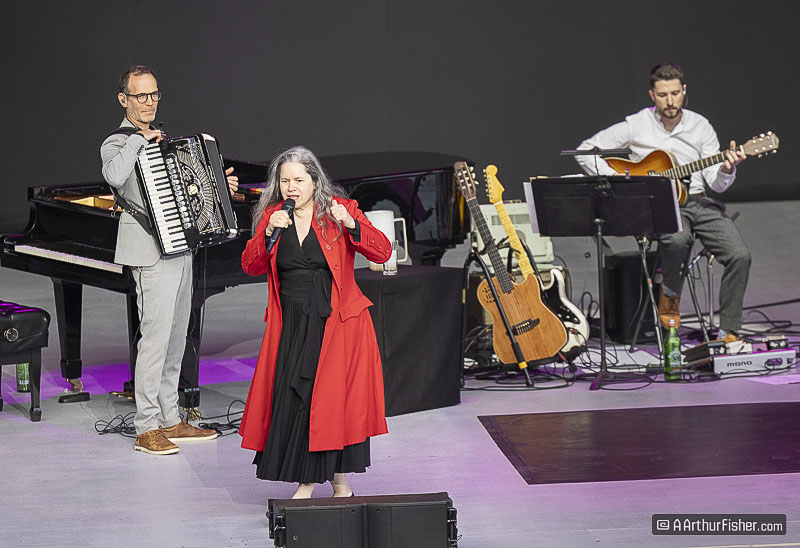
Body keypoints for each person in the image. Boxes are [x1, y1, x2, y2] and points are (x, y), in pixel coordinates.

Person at [238, 146, 392, 498]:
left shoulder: (341, 209)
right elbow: (250, 265)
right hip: (291, 322)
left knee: (332, 402)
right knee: (299, 398)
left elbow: (383, 252)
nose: (291, 187)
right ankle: (322, 482)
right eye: (284, 181)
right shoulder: (274, 215)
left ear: (314, 181)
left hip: (335, 321)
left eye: (298, 180)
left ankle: (329, 483)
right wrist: (266, 234)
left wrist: (351, 224)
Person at [100, 65, 239, 455]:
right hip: (149, 252)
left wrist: (220, 188)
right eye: (140, 95)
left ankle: (169, 418)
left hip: (180, 249)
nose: (149, 102)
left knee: (177, 338)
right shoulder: (116, 143)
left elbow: (191, 194)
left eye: (154, 94)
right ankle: (146, 427)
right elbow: (114, 176)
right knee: (155, 339)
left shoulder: (166, 142)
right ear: (124, 99)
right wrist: (137, 141)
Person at [575, 63, 748, 342]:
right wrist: (619, 179)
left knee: (740, 255)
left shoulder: (700, 126)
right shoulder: (636, 124)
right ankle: (669, 294)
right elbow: (585, 151)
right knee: (677, 240)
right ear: (652, 95)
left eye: (675, 94)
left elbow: (715, 183)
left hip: (698, 201)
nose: (670, 101)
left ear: (684, 91)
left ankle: (729, 331)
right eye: (663, 95)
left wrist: (727, 169)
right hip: (658, 203)